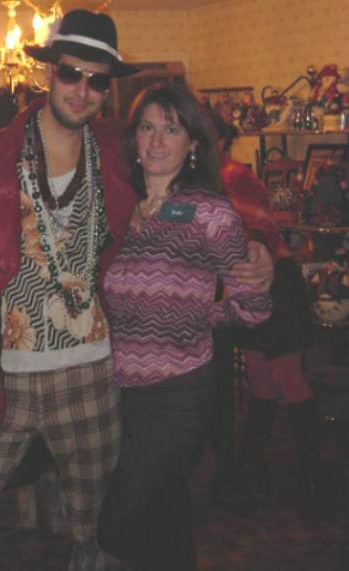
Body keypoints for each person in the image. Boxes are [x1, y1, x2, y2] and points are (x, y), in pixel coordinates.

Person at [0, 10, 139, 570]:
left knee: (101, 533)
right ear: (47, 73)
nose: (83, 90)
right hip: (4, 377)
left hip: (92, 375)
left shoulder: (118, 151)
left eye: (97, 80)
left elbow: (187, 170)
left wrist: (255, 243)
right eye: (71, 73)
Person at [97, 83, 272, 570]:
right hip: (125, 392)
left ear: (193, 143)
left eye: (171, 129)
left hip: (179, 393)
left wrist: (198, 316)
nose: (157, 141)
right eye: (147, 127)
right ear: (133, 138)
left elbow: (254, 307)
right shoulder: (122, 211)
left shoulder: (208, 213)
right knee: (166, 513)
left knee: (120, 522)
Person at [209, 111, 328, 519]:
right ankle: (250, 465)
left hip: (275, 281)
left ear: (219, 140)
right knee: (259, 377)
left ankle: (313, 476)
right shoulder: (210, 178)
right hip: (247, 286)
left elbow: (257, 234)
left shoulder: (232, 176)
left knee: (288, 377)